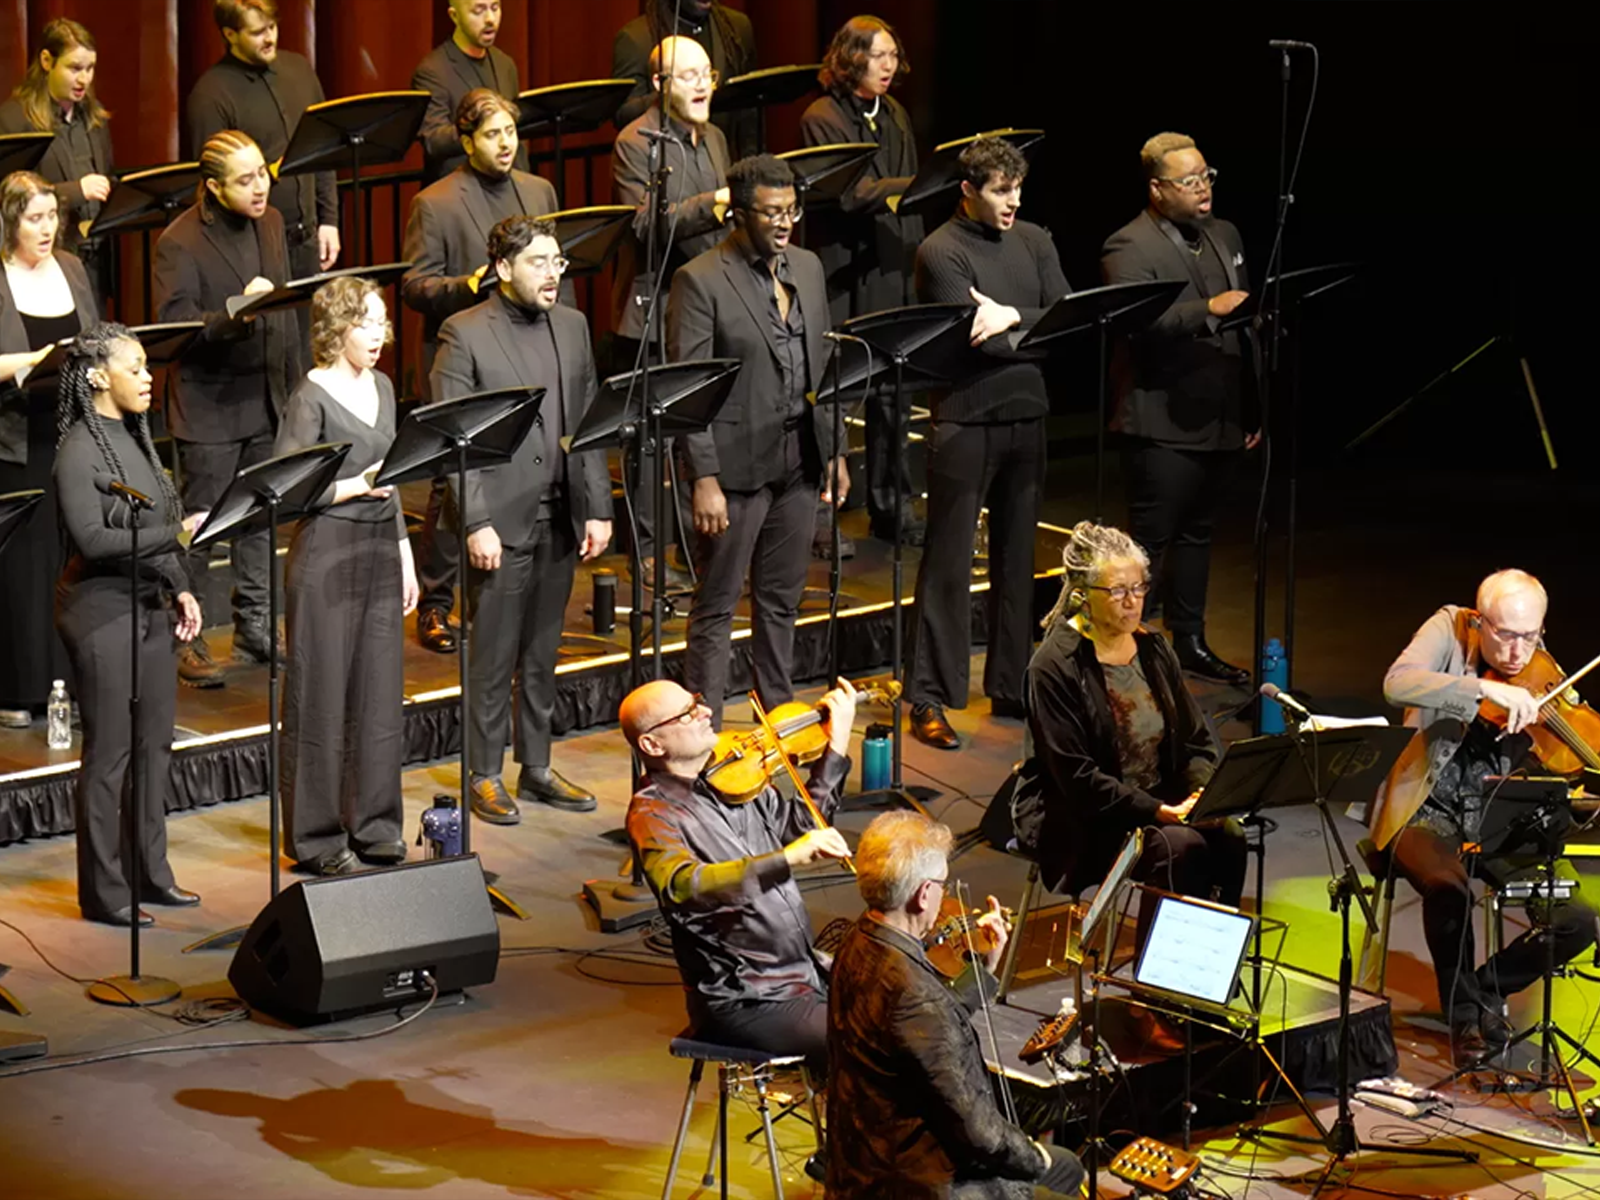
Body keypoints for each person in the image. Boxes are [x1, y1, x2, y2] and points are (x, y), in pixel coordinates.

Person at [1025, 521, 1247, 1052]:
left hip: (1163, 807)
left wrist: (1197, 796)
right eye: (1118, 591)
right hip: (1090, 819)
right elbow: (1075, 777)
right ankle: (1156, 995)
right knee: (1180, 847)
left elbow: (1197, 741)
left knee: (1231, 834)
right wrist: (1157, 810)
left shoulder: (1153, 650)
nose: (1132, 602)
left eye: (1139, 588)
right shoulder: (1054, 665)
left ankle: (1203, 982)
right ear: (1084, 594)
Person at [1367, 569, 1599, 1063]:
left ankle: (1483, 989)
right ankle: (1464, 1017)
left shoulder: (1540, 667)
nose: (1519, 652)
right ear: (1480, 621)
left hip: (1503, 818)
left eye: (1530, 636)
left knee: (1576, 920)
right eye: (1506, 635)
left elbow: (1577, 741)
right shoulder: (1449, 627)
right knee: (1448, 888)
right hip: (1427, 807)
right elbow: (1398, 683)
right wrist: (1485, 692)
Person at [431, 215, 611, 823]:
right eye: (539, 262)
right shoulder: (465, 332)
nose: (553, 274)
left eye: (558, 262)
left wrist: (598, 506)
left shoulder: (574, 325)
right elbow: (451, 440)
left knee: (542, 650)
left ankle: (535, 764)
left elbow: (586, 421)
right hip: (499, 519)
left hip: (561, 514)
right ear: (503, 268)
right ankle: (483, 771)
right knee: (492, 652)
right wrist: (474, 520)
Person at [667, 154, 847, 727]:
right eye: (771, 213)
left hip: (800, 459)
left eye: (791, 210)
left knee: (781, 602)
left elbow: (823, 365)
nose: (784, 221)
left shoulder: (810, 269)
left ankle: (779, 728)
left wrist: (836, 447)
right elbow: (689, 392)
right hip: (735, 467)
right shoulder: (699, 280)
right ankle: (704, 736)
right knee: (717, 606)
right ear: (738, 216)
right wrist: (706, 479)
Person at [827, 810, 1086, 1198]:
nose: (944, 897)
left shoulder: (858, 941)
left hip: (859, 1161)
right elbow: (979, 1135)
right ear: (923, 893)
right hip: (920, 1182)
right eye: (943, 887)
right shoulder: (915, 995)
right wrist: (1038, 1159)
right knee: (1058, 1171)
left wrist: (985, 966)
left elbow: (922, 1034)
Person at [907, 137, 1070, 751]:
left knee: (1018, 555)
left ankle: (1010, 683)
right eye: (1001, 191)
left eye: (1018, 190)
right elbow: (977, 341)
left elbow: (1067, 319)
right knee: (948, 562)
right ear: (968, 191)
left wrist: (1011, 317)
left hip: (1028, 413)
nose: (1013, 202)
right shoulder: (940, 249)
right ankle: (928, 694)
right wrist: (1021, 325)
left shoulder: (1034, 239)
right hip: (966, 419)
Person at [53, 323, 204, 927]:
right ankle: (105, 891)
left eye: (147, 367)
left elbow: (155, 526)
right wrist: (179, 532)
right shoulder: (78, 450)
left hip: (149, 603)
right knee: (112, 751)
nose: (148, 377)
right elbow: (92, 538)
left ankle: (150, 872)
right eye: (136, 367)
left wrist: (183, 584)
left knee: (154, 745)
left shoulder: (137, 439)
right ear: (97, 376)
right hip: (98, 609)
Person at [623, 677, 856, 1065]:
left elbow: (802, 827)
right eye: (687, 713)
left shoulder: (738, 779)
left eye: (697, 701)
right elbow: (683, 886)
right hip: (747, 997)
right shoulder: (653, 814)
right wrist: (787, 859)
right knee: (871, 1046)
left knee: (908, 1014)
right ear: (652, 744)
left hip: (803, 970)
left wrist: (837, 745)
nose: (706, 712)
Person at [402, 88, 560, 657]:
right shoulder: (437, 201)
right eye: (492, 134)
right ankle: (437, 602)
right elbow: (416, 285)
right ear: (466, 141)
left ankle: (510, 594)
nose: (505, 144)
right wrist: (467, 286)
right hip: (463, 352)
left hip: (526, 346)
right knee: (453, 479)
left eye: (511, 133)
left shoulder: (538, 190)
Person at [273, 278, 418, 876]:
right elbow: (285, 487)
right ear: (337, 330)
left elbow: (398, 475)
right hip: (327, 552)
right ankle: (314, 835)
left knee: (378, 693)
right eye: (367, 324)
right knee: (323, 695)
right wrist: (355, 487)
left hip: (382, 547)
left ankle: (376, 824)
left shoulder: (384, 385)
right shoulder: (310, 396)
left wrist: (406, 552)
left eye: (383, 324)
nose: (380, 336)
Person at [1102, 131, 1255, 685]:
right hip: (1160, 418)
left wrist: (1250, 411)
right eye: (1188, 181)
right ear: (1157, 188)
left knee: (1199, 533)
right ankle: (1122, 646)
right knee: (1149, 545)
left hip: (1219, 414)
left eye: (1206, 176)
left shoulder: (1224, 234)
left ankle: (1189, 640)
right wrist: (1206, 308)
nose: (1202, 189)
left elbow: (1243, 326)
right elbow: (1138, 324)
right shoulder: (1129, 246)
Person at [155, 129, 307, 683]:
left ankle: (257, 626)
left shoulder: (270, 221)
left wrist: (296, 383)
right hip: (211, 404)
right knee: (201, 527)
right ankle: (186, 639)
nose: (259, 187)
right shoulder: (179, 241)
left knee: (261, 521)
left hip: (265, 394)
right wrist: (235, 314)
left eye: (262, 173)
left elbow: (287, 308)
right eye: (244, 180)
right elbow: (175, 331)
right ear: (214, 187)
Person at [800, 14, 924, 550]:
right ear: (852, 58)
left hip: (891, 264)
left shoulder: (893, 112)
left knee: (894, 396)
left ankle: (892, 509)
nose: (889, 66)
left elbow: (905, 192)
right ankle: (824, 517)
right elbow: (848, 193)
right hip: (844, 271)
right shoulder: (822, 117)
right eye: (879, 56)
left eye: (894, 56)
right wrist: (914, 186)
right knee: (840, 393)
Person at [611, 35, 731, 585]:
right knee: (651, 443)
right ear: (660, 85)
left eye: (707, 73)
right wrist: (717, 205)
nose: (704, 84)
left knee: (701, 433)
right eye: (689, 76)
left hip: (709, 308)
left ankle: (699, 548)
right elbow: (644, 222)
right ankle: (652, 557)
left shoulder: (717, 139)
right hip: (655, 311)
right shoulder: (636, 143)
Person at [0, 172, 97, 730]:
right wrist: (30, 363)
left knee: (71, 555)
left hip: (70, 430)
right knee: (24, 566)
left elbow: (92, 337)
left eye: (51, 217)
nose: (46, 228)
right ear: (10, 222)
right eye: (33, 218)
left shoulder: (73, 268)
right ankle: (19, 688)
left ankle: (72, 682)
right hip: (16, 439)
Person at [185, 0, 340, 284]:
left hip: (307, 242)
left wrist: (329, 220)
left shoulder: (300, 69)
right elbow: (213, 183)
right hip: (254, 247)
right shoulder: (210, 94)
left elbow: (323, 149)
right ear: (230, 34)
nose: (270, 38)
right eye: (257, 32)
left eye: (272, 27)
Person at [0, 19, 114, 270]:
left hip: (95, 261)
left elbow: (108, 175)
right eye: (75, 68)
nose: (84, 79)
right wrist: (77, 191)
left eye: (90, 68)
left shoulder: (95, 118)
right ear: (46, 61)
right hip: (45, 262)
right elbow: (10, 200)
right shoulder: (14, 119)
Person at [613, 0, 757, 161]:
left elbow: (749, 111)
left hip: (723, 163)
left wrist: (750, 165)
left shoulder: (736, 27)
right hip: (667, 164)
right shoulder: (637, 38)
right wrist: (671, 92)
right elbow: (624, 115)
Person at [412, 0, 528, 182]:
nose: (490, 19)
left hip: (508, 186)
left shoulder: (505, 64)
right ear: (454, 16)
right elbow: (433, 141)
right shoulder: (433, 71)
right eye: (479, 10)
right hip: (461, 191)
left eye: (495, 8)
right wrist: (478, 128)